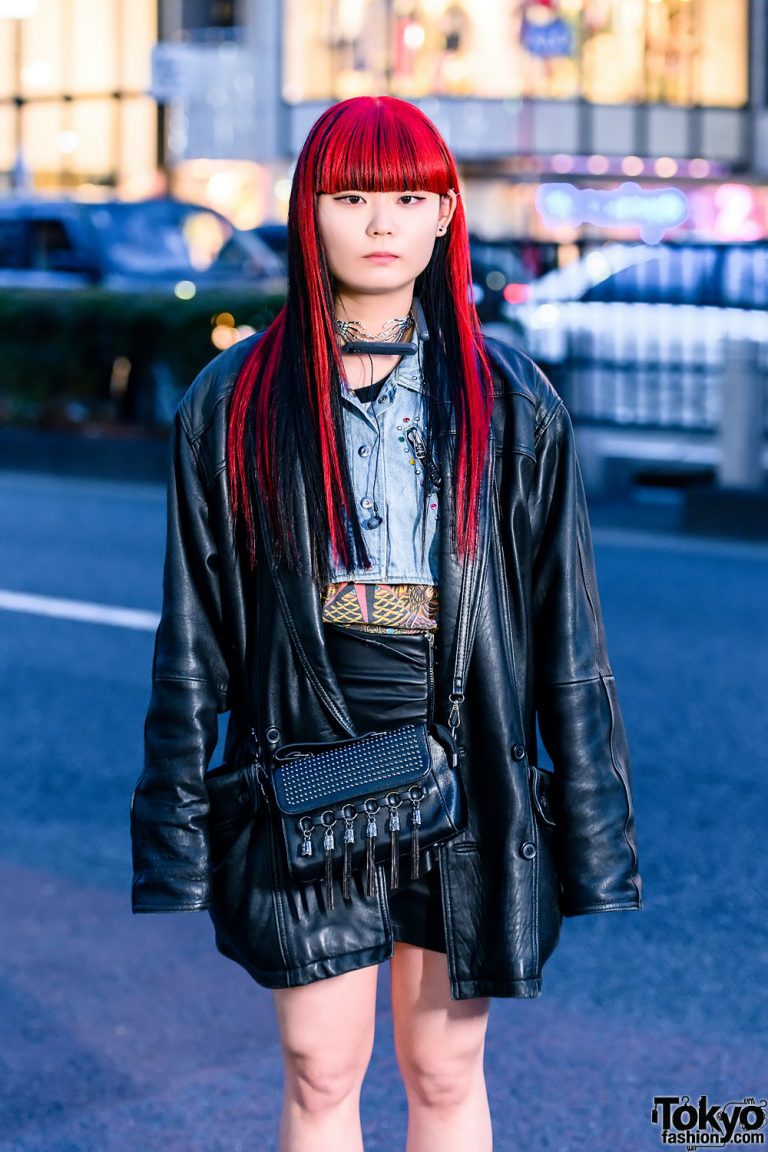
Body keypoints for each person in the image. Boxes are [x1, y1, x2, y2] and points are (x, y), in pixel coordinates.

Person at [131, 95, 641, 1152]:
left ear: (447, 216)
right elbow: (194, 644)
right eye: (352, 194)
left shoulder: (514, 402)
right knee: (322, 1070)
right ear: (308, 212)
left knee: (445, 1069)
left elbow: (567, 640)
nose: (381, 221)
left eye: (410, 196)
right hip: (307, 751)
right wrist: (175, 840)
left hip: (469, 751)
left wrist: (595, 839)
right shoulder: (234, 403)